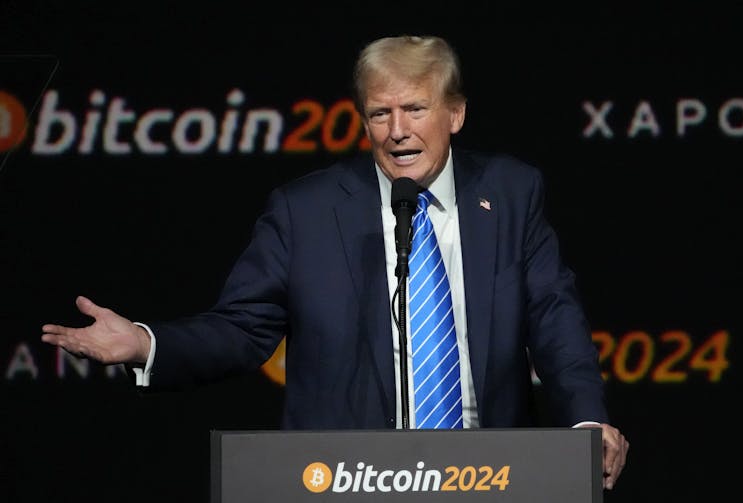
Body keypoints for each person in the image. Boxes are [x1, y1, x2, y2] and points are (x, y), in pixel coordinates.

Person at [41, 34, 628, 489]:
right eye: (379, 113)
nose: (397, 132)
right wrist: (148, 344)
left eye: (415, 109)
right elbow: (244, 330)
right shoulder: (306, 211)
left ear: (456, 113)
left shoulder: (510, 192)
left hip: (489, 478)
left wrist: (584, 425)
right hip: (343, 480)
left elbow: (554, 316)